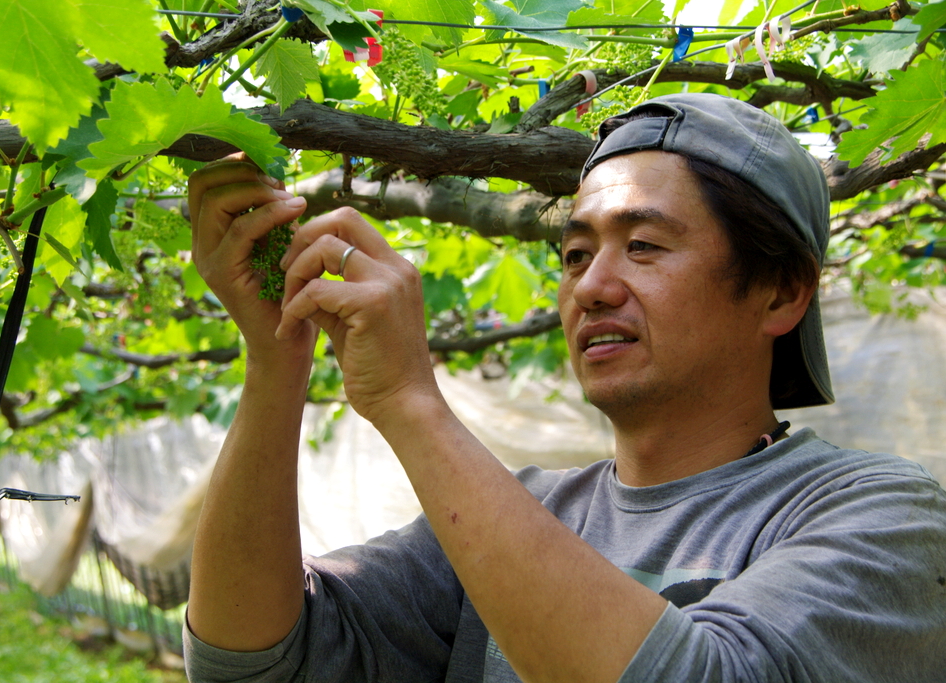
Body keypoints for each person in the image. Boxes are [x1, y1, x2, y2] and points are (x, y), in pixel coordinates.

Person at [182, 93, 946, 682]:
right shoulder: (518, 516)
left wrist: (413, 404)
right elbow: (251, 659)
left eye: (643, 246)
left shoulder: (885, 516)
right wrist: (277, 358)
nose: (593, 286)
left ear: (780, 292)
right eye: (576, 255)